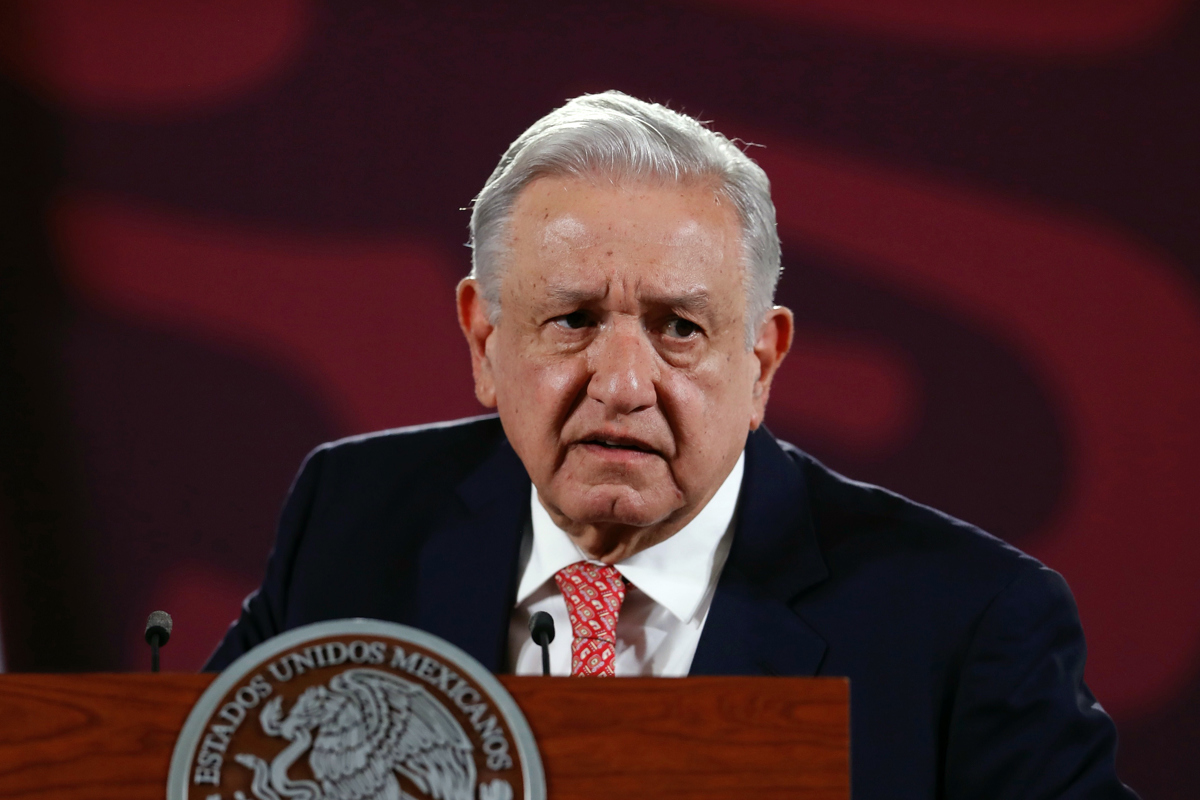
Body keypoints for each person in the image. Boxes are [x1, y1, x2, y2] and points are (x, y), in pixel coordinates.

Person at [207, 92, 1136, 798]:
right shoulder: (354, 516)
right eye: (571, 319)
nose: (621, 383)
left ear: (762, 360)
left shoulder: (965, 621)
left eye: (679, 328)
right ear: (485, 343)